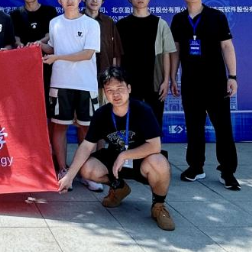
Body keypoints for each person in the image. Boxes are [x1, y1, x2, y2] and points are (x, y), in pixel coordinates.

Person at [57, 67, 176, 232]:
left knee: (160, 163)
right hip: (114, 161)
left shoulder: (143, 110)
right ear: (104, 93)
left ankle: (159, 206)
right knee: (87, 168)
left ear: (129, 88)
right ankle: (119, 187)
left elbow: (155, 145)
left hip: (141, 159)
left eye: (120, 88)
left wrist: (125, 155)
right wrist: (69, 176)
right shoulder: (101, 114)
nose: (116, 94)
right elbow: (86, 146)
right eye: (110, 90)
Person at [170, 0, 240, 190]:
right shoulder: (178, 20)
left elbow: (227, 47)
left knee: (223, 127)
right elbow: (176, 50)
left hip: (216, 81)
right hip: (190, 82)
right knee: (194, 127)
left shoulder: (216, 17)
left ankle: (227, 171)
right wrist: (173, 77)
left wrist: (232, 76)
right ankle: (195, 167)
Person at [41, 0, 102, 192]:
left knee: (86, 129)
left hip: (86, 84)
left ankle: (86, 172)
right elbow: (53, 48)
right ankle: (62, 170)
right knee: (59, 127)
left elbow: (87, 54)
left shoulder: (91, 24)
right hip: (60, 83)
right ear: (59, 0)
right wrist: (38, 46)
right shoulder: (54, 23)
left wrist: (57, 57)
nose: (69, 0)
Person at [10, 0, 60, 170]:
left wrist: (39, 43)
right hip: (24, 71)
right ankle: (28, 154)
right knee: (26, 111)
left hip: (47, 68)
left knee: (49, 112)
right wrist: (21, 45)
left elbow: (51, 34)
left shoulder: (50, 11)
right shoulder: (15, 14)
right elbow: (14, 37)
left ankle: (51, 154)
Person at [116, 0, 177, 128]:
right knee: (130, 124)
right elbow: (117, 56)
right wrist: (117, 81)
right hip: (128, 82)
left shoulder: (160, 24)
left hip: (155, 82)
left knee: (154, 123)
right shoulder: (121, 25)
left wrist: (166, 81)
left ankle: (154, 144)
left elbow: (166, 54)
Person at [83, 0, 124, 107]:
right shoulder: (77, 21)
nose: (95, 0)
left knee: (104, 114)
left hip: (104, 79)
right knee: (84, 116)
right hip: (82, 80)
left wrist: (114, 78)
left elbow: (116, 54)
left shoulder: (108, 22)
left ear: (103, 1)